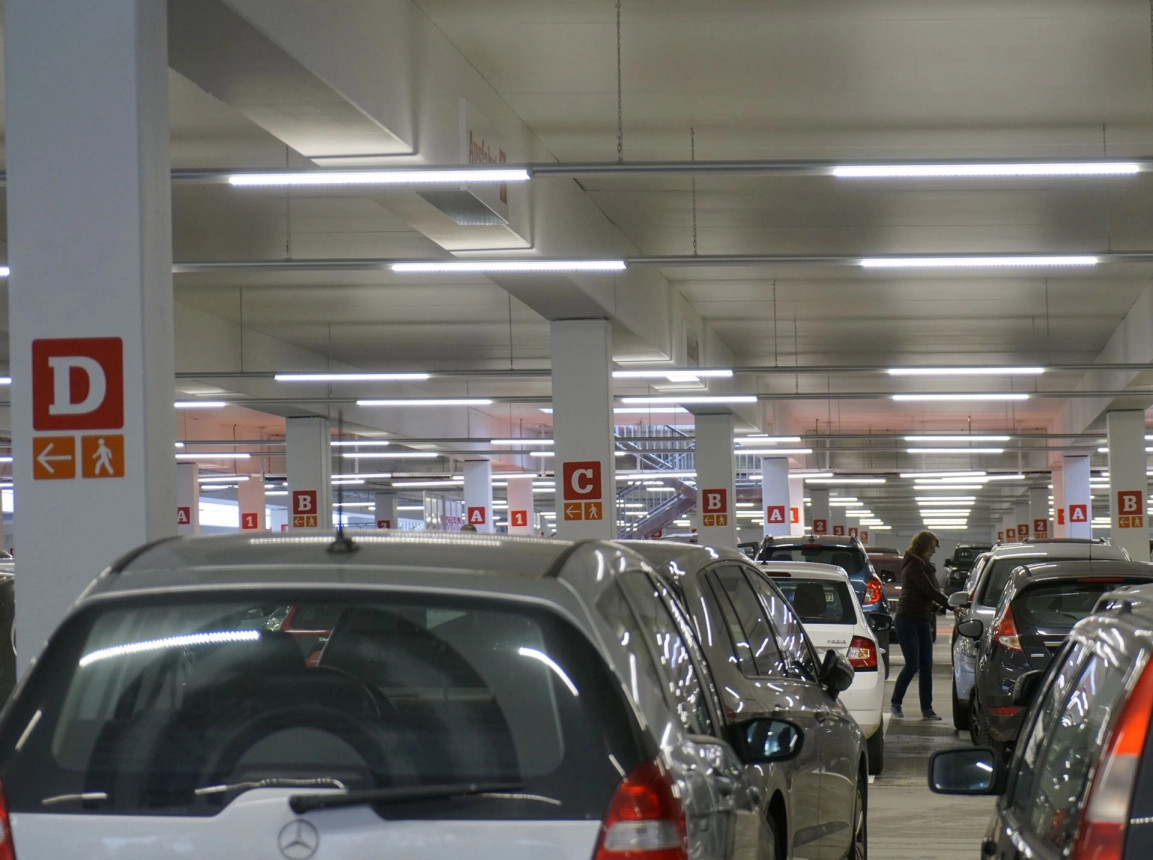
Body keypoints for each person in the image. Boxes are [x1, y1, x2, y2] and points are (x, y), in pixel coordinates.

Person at [890, 530, 952, 721]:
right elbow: (928, 590)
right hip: (907, 620)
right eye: (932, 547)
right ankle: (895, 702)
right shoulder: (914, 566)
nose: (934, 551)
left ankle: (927, 709)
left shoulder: (923, 565)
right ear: (923, 546)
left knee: (926, 666)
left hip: (922, 619)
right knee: (913, 664)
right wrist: (951, 604)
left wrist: (938, 608)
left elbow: (922, 595)